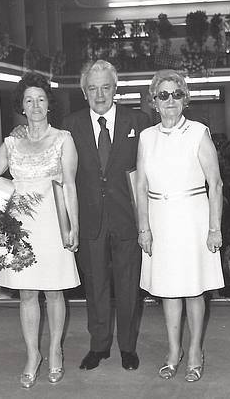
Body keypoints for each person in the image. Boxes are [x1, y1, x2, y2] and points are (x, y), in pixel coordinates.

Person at [0, 72, 80, 388]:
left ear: (49, 104)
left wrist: (73, 226)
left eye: (40, 99)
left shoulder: (63, 138)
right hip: (21, 227)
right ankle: (32, 355)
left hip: (53, 223)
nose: (35, 105)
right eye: (29, 100)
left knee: (54, 291)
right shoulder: (11, 142)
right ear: (21, 106)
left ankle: (55, 352)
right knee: (27, 293)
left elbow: (70, 187)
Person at [62, 60, 150, 373]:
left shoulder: (138, 121)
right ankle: (99, 346)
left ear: (115, 89)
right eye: (92, 88)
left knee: (127, 286)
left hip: (127, 218)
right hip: (89, 220)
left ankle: (127, 347)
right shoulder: (70, 125)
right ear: (84, 92)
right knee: (95, 286)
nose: (99, 94)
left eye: (105, 87)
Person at [136, 69, 224, 382]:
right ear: (153, 102)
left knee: (193, 289)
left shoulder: (199, 132)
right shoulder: (146, 137)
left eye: (176, 94)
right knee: (168, 290)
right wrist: (143, 228)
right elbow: (141, 185)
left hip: (192, 218)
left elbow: (215, 183)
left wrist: (215, 228)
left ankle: (196, 349)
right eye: (163, 95)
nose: (170, 100)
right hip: (160, 218)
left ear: (184, 99)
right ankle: (174, 350)